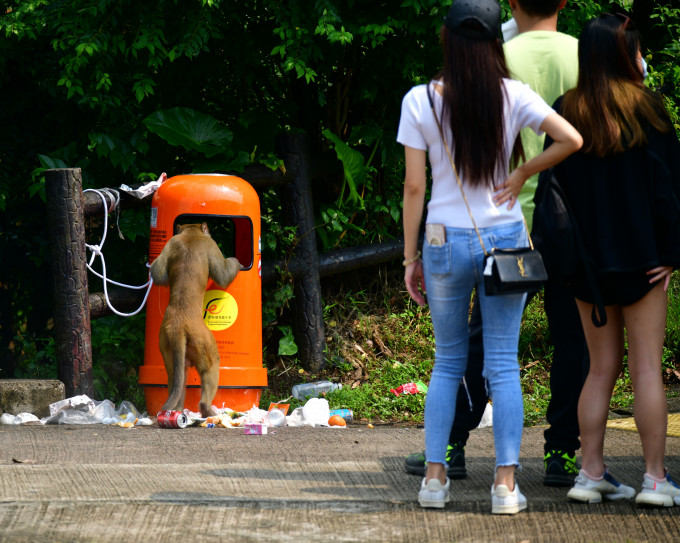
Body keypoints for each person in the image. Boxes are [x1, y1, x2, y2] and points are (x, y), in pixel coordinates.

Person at [397, 0, 582, 513]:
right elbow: (572, 138)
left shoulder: (421, 100)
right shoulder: (513, 94)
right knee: (503, 364)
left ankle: (434, 481)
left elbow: (416, 187)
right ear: (493, 42)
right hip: (505, 238)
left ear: (448, 39)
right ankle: (504, 486)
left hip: (441, 239)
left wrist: (409, 257)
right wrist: (525, 173)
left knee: (446, 361)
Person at [547, 13, 680, 507]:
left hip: (586, 269)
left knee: (599, 369)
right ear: (628, 56)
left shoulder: (566, 111)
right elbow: (669, 192)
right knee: (647, 368)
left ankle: (591, 473)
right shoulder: (649, 111)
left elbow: (554, 194)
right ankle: (654, 479)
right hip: (644, 263)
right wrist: (672, 254)